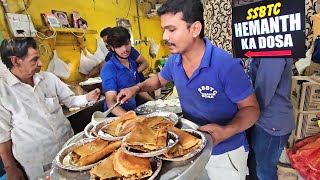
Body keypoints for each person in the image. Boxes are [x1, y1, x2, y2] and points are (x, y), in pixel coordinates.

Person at [116, 0, 260, 179]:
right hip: (190, 146)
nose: (165, 37)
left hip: (225, 153)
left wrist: (226, 131)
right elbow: (159, 80)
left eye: (171, 29)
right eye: (164, 29)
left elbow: (252, 109)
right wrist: (136, 88)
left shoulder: (225, 65)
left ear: (195, 29)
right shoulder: (174, 60)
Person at [0, 37, 100, 180]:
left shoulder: (48, 79)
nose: (40, 64)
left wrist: (87, 98)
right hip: (38, 161)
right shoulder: (3, 92)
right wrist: (10, 168)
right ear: (16, 61)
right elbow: (3, 136)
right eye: (34, 60)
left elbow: (70, 100)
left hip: (68, 149)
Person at [247, 58, 295, 180]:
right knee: (258, 166)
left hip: (271, 122)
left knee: (265, 172)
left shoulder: (273, 49)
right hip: (263, 119)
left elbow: (263, 91)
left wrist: (245, 110)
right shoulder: (264, 46)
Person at [101, 26, 153, 116]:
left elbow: (137, 89)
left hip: (132, 112)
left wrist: (155, 102)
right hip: (116, 118)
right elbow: (111, 103)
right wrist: (132, 119)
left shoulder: (132, 64)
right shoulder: (109, 68)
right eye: (119, 46)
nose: (124, 49)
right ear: (112, 48)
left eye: (126, 43)